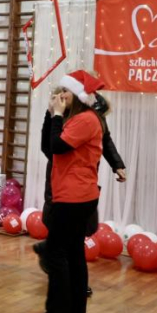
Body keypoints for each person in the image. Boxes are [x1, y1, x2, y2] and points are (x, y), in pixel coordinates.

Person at [29, 70, 105, 313]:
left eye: (66, 91)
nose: (60, 95)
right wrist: (51, 115)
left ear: (80, 96)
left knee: (56, 254)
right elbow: (48, 148)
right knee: (73, 253)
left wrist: (58, 116)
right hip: (73, 195)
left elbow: (58, 147)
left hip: (74, 197)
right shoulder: (77, 120)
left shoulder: (86, 120)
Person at [36, 88, 127, 297]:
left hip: (80, 185)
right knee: (59, 230)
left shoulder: (90, 117)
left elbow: (106, 139)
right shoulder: (62, 115)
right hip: (60, 180)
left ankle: (58, 262)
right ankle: (63, 274)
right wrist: (52, 115)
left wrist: (117, 164)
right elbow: (50, 148)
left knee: (79, 233)